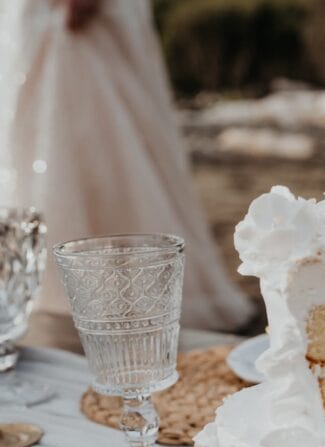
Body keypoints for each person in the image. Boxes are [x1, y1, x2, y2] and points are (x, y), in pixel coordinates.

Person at [0, 0, 256, 332]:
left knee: (100, 136)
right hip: (29, 17)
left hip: (72, 20)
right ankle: (46, 302)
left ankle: (125, 304)